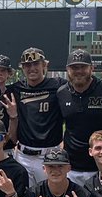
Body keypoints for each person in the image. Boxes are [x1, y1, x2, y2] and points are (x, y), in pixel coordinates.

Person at [58, 49, 102, 188]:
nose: (79, 71)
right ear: (67, 70)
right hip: (72, 167)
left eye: (83, 67)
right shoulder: (61, 93)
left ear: (92, 68)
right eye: (74, 67)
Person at [7, 47, 64, 183]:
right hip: (22, 156)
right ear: (22, 68)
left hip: (49, 155)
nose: (31, 68)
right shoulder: (16, 88)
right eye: (27, 65)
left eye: (35, 64)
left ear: (44, 65)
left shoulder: (59, 86)